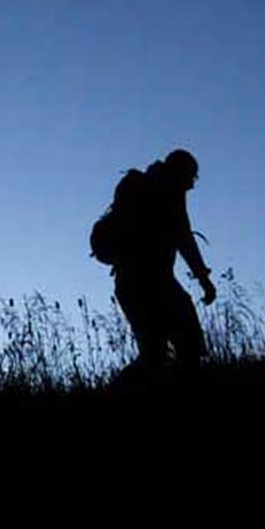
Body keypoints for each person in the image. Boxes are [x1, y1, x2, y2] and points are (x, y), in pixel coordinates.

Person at [108, 149, 217, 382]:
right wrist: (204, 280)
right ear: (180, 173)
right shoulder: (169, 195)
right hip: (150, 282)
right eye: (191, 177)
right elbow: (185, 240)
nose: (192, 185)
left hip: (132, 282)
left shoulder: (140, 186)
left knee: (156, 354)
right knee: (175, 350)